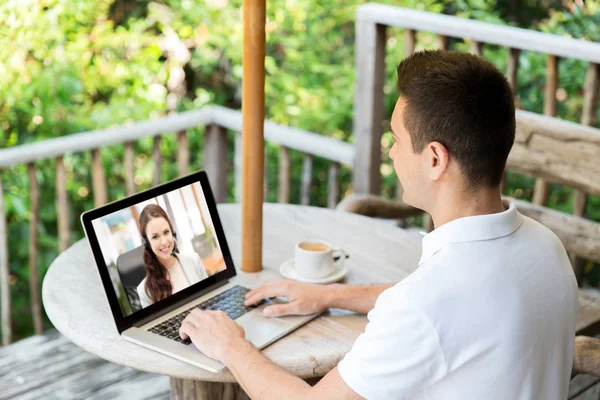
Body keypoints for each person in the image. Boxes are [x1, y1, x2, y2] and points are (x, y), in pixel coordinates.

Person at [177, 50, 578, 399]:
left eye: (396, 139)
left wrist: (231, 346)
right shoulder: (545, 247)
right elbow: (453, 310)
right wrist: (329, 296)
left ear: (435, 159)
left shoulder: (429, 301)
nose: (391, 152)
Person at [137, 204, 208, 308]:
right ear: (146, 242)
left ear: (172, 232)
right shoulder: (144, 290)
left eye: (166, 232)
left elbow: (210, 297)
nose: (164, 242)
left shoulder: (194, 260)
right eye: (155, 237)